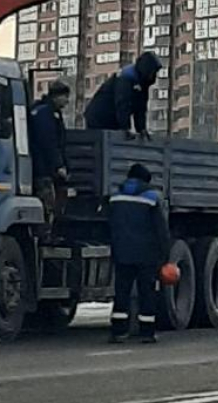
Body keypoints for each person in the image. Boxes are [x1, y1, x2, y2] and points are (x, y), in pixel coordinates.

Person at [107, 163, 171, 344]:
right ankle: (147, 333)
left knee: (121, 293)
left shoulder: (115, 197)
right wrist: (164, 256)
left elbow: (109, 225)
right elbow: (161, 230)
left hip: (122, 253)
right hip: (147, 255)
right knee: (147, 293)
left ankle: (118, 332)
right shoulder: (152, 198)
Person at [84, 52, 163, 139]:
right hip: (99, 118)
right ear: (146, 69)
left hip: (112, 119)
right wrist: (125, 128)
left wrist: (141, 129)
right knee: (105, 143)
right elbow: (122, 104)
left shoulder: (142, 82)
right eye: (153, 72)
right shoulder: (125, 78)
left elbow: (141, 109)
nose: (153, 76)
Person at [28, 80, 70, 220]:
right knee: (47, 203)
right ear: (56, 96)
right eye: (65, 96)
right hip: (43, 168)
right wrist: (59, 165)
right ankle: (45, 234)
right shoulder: (47, 114)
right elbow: (49, 142)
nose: (67, 101)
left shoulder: (40, 110)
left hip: (38, 166)